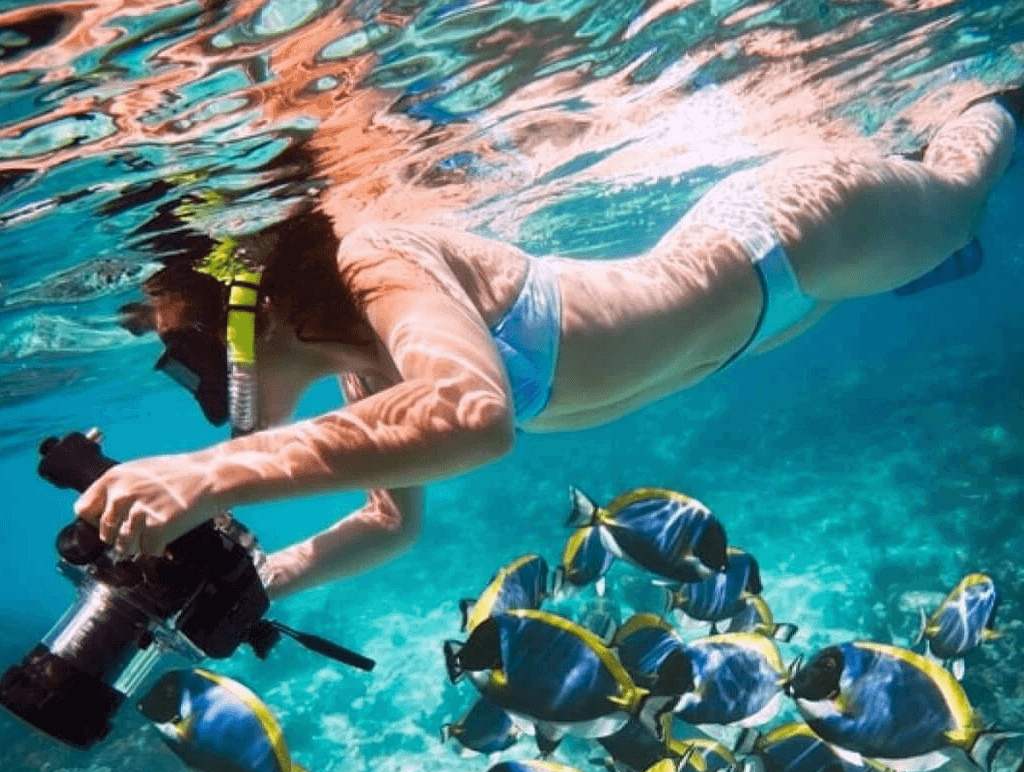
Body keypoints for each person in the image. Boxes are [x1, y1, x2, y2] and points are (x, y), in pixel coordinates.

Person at [74, 92, 1019, 599]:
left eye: (185, 350)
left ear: (253, 311)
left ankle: (988, 90)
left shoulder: (375, 255)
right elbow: (392, 522)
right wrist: (266, 582)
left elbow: (474, 417)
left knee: (965, 179)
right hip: (757, 331)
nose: (189, 381)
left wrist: (214, 475)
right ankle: (930, 260)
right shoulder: (365, 377)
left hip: (794, 238)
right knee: (915, 263)